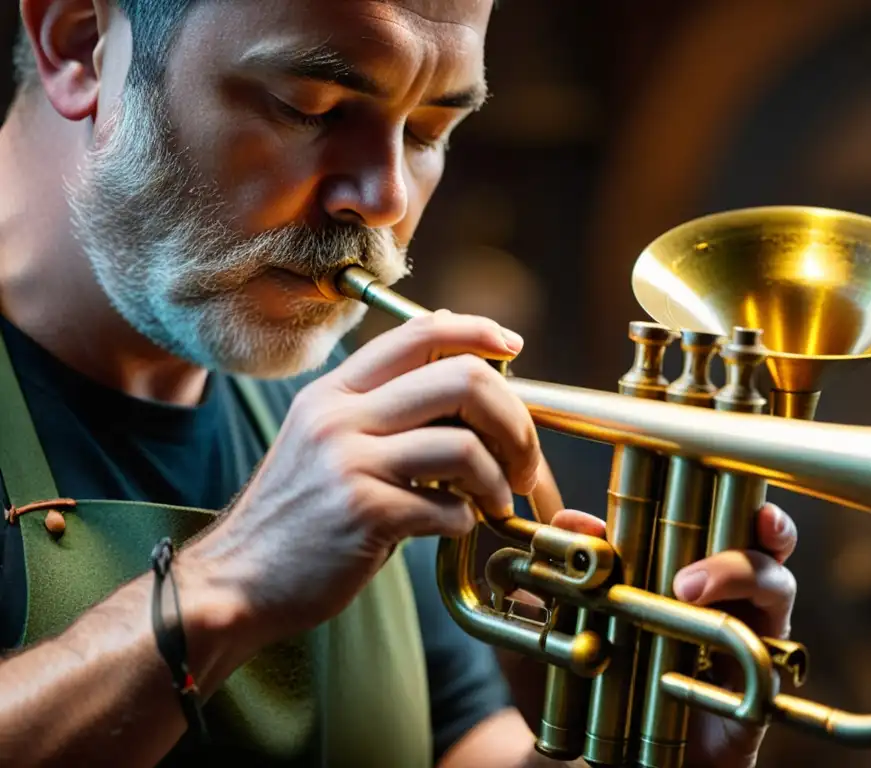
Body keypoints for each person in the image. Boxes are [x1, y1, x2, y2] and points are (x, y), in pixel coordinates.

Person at [0, 1, 799, 766]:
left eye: (428, 131)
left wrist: (643, 745)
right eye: (308, 107)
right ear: (80, 45)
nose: (384, 199)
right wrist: (226, 582)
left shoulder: (352, 405)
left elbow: (461, 745)